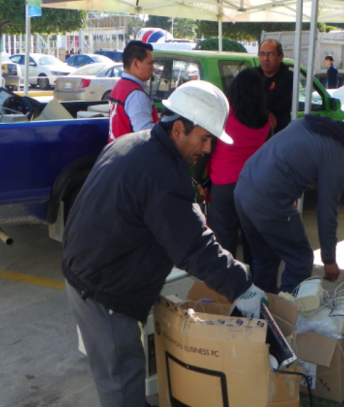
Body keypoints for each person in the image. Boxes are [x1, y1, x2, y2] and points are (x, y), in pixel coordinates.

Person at [62, 81, 266, 407]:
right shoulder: (162, 173)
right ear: (179, 129)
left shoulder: (131, 142)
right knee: (122, 386)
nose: (208, 149)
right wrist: (242, 284)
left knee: (117, 376)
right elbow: (194, 246)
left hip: (84, 272)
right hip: (105, 292)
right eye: (204, 138)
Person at [234, 110, 344, 294]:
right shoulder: (335, 155)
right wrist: (329, 259)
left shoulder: (308, 123)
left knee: (265, 258)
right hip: (269, 200)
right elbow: (327, 211)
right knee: (301, 260)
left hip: (242, 190)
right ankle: (283, 313)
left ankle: (260, 315)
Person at [203, 68, 270, 262]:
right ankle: (253, 284)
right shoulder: (266, 120)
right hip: (254, 186)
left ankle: (230, 286)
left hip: (224, 184)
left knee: (225, 240)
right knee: (252, 239)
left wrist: (200, 180)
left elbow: (207, 149)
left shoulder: (223, 114)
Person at [108, 40, 159, 142]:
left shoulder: (119, 86)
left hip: (116, 152)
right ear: (135, 63)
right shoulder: (136, 94)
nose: (153, 68)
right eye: (150, 63)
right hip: (131, 154)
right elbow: (145, 135)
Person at [256, 39, 294, 133]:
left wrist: (263, 110)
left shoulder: (288, 77)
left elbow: (272, 101)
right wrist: (266, 112)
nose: (265, 58)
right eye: (262, 54)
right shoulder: (252, 75)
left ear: (280, 57)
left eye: (270, 54)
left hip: (278, 133)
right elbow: (238, 98)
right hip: (253, 132)